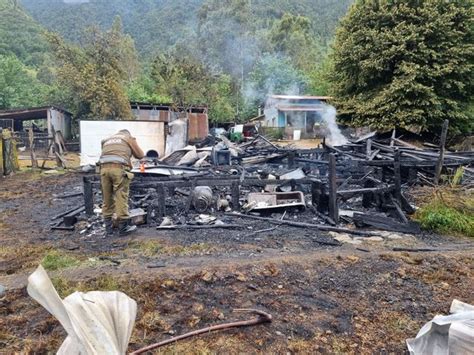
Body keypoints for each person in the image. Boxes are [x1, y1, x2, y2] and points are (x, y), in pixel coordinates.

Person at [99, 129, 145, 236]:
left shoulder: (107, 139)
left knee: (107, 198)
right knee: (121, 196)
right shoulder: (128, 138)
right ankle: (123, 228)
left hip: (103, 170)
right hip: (119, 170)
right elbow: (140, 155)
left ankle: (108, 230)